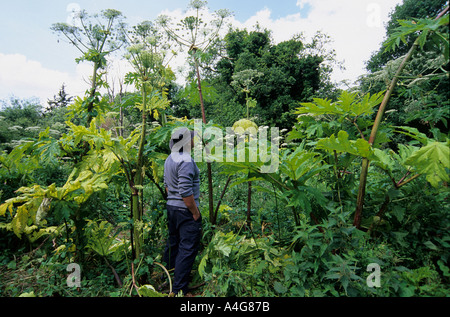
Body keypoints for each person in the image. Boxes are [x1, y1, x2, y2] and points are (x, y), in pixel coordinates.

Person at [163, 127, 202, 296]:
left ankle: (170, 276)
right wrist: (194, 212)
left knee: (174, 243)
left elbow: (166, 186)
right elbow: (185, 191)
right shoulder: (186, 160)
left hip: (172, 207)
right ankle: (179, 289)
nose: (195, 141)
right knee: (187, 247)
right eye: (192, 138)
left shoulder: (169, 159)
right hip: (185, 209)